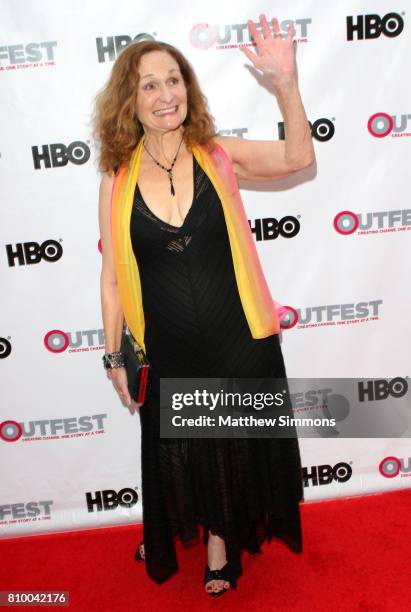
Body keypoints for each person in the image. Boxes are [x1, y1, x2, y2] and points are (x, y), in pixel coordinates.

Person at [94, 13, 315, 597]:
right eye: (149, 84)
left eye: (174, 80)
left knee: (230, 445)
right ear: (130, 102)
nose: (166, 94)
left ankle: (220, 545)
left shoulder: (218, 153)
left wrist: (287, 85)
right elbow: (113, 278)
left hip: (237, 338)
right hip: (167, 346)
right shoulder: (116, 179)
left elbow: (298, 159)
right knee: (183, 449)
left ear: (187, 89)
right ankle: (183, 528)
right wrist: (113, 355)